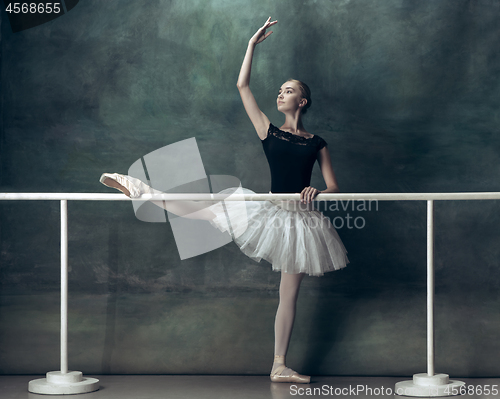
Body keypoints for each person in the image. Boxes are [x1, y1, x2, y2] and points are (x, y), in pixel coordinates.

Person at [99, 17, 348, 384]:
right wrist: (251, 45)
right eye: (279, 89)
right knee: (206, 207)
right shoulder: (269, 130)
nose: (280, 93)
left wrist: (318, 192)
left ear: (303, 100)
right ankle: (146, 191)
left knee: (288, 296)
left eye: (288, 90)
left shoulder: (316, 142)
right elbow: (242, 85)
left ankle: (279, 365)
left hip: (299, 220)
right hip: (268, 209)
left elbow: (334, 187)